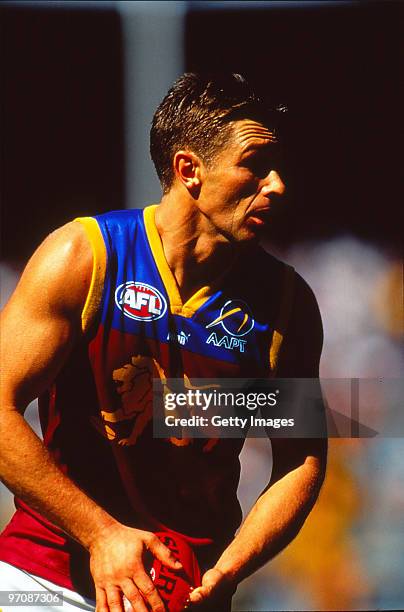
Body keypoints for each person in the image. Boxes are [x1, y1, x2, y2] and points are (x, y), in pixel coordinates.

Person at [0, 73, 327, 612]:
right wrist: (101, 534)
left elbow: (301, 460)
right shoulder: (84, 257)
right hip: (45, 577)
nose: (278, 185)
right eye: (254, 165)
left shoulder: (288, 306)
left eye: (280, 167)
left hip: (184, 591)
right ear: (188, 170)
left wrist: (229, 570)